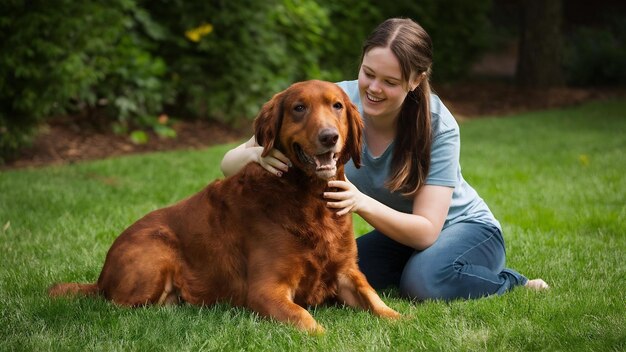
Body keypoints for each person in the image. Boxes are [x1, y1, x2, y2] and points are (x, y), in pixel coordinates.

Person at [220, 17, 548, 300]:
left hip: (464, 229)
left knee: (424, 283)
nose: (373, 89)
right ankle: (422, 266)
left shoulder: (439, 125)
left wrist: (359, 202)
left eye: (390, 82)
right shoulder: (333, 102)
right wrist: (258, 158)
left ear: (415, 80)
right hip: (398, 235)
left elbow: (426, 232)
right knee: (332, 282)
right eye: (368, 73)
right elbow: (229, 162)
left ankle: (512, 282)